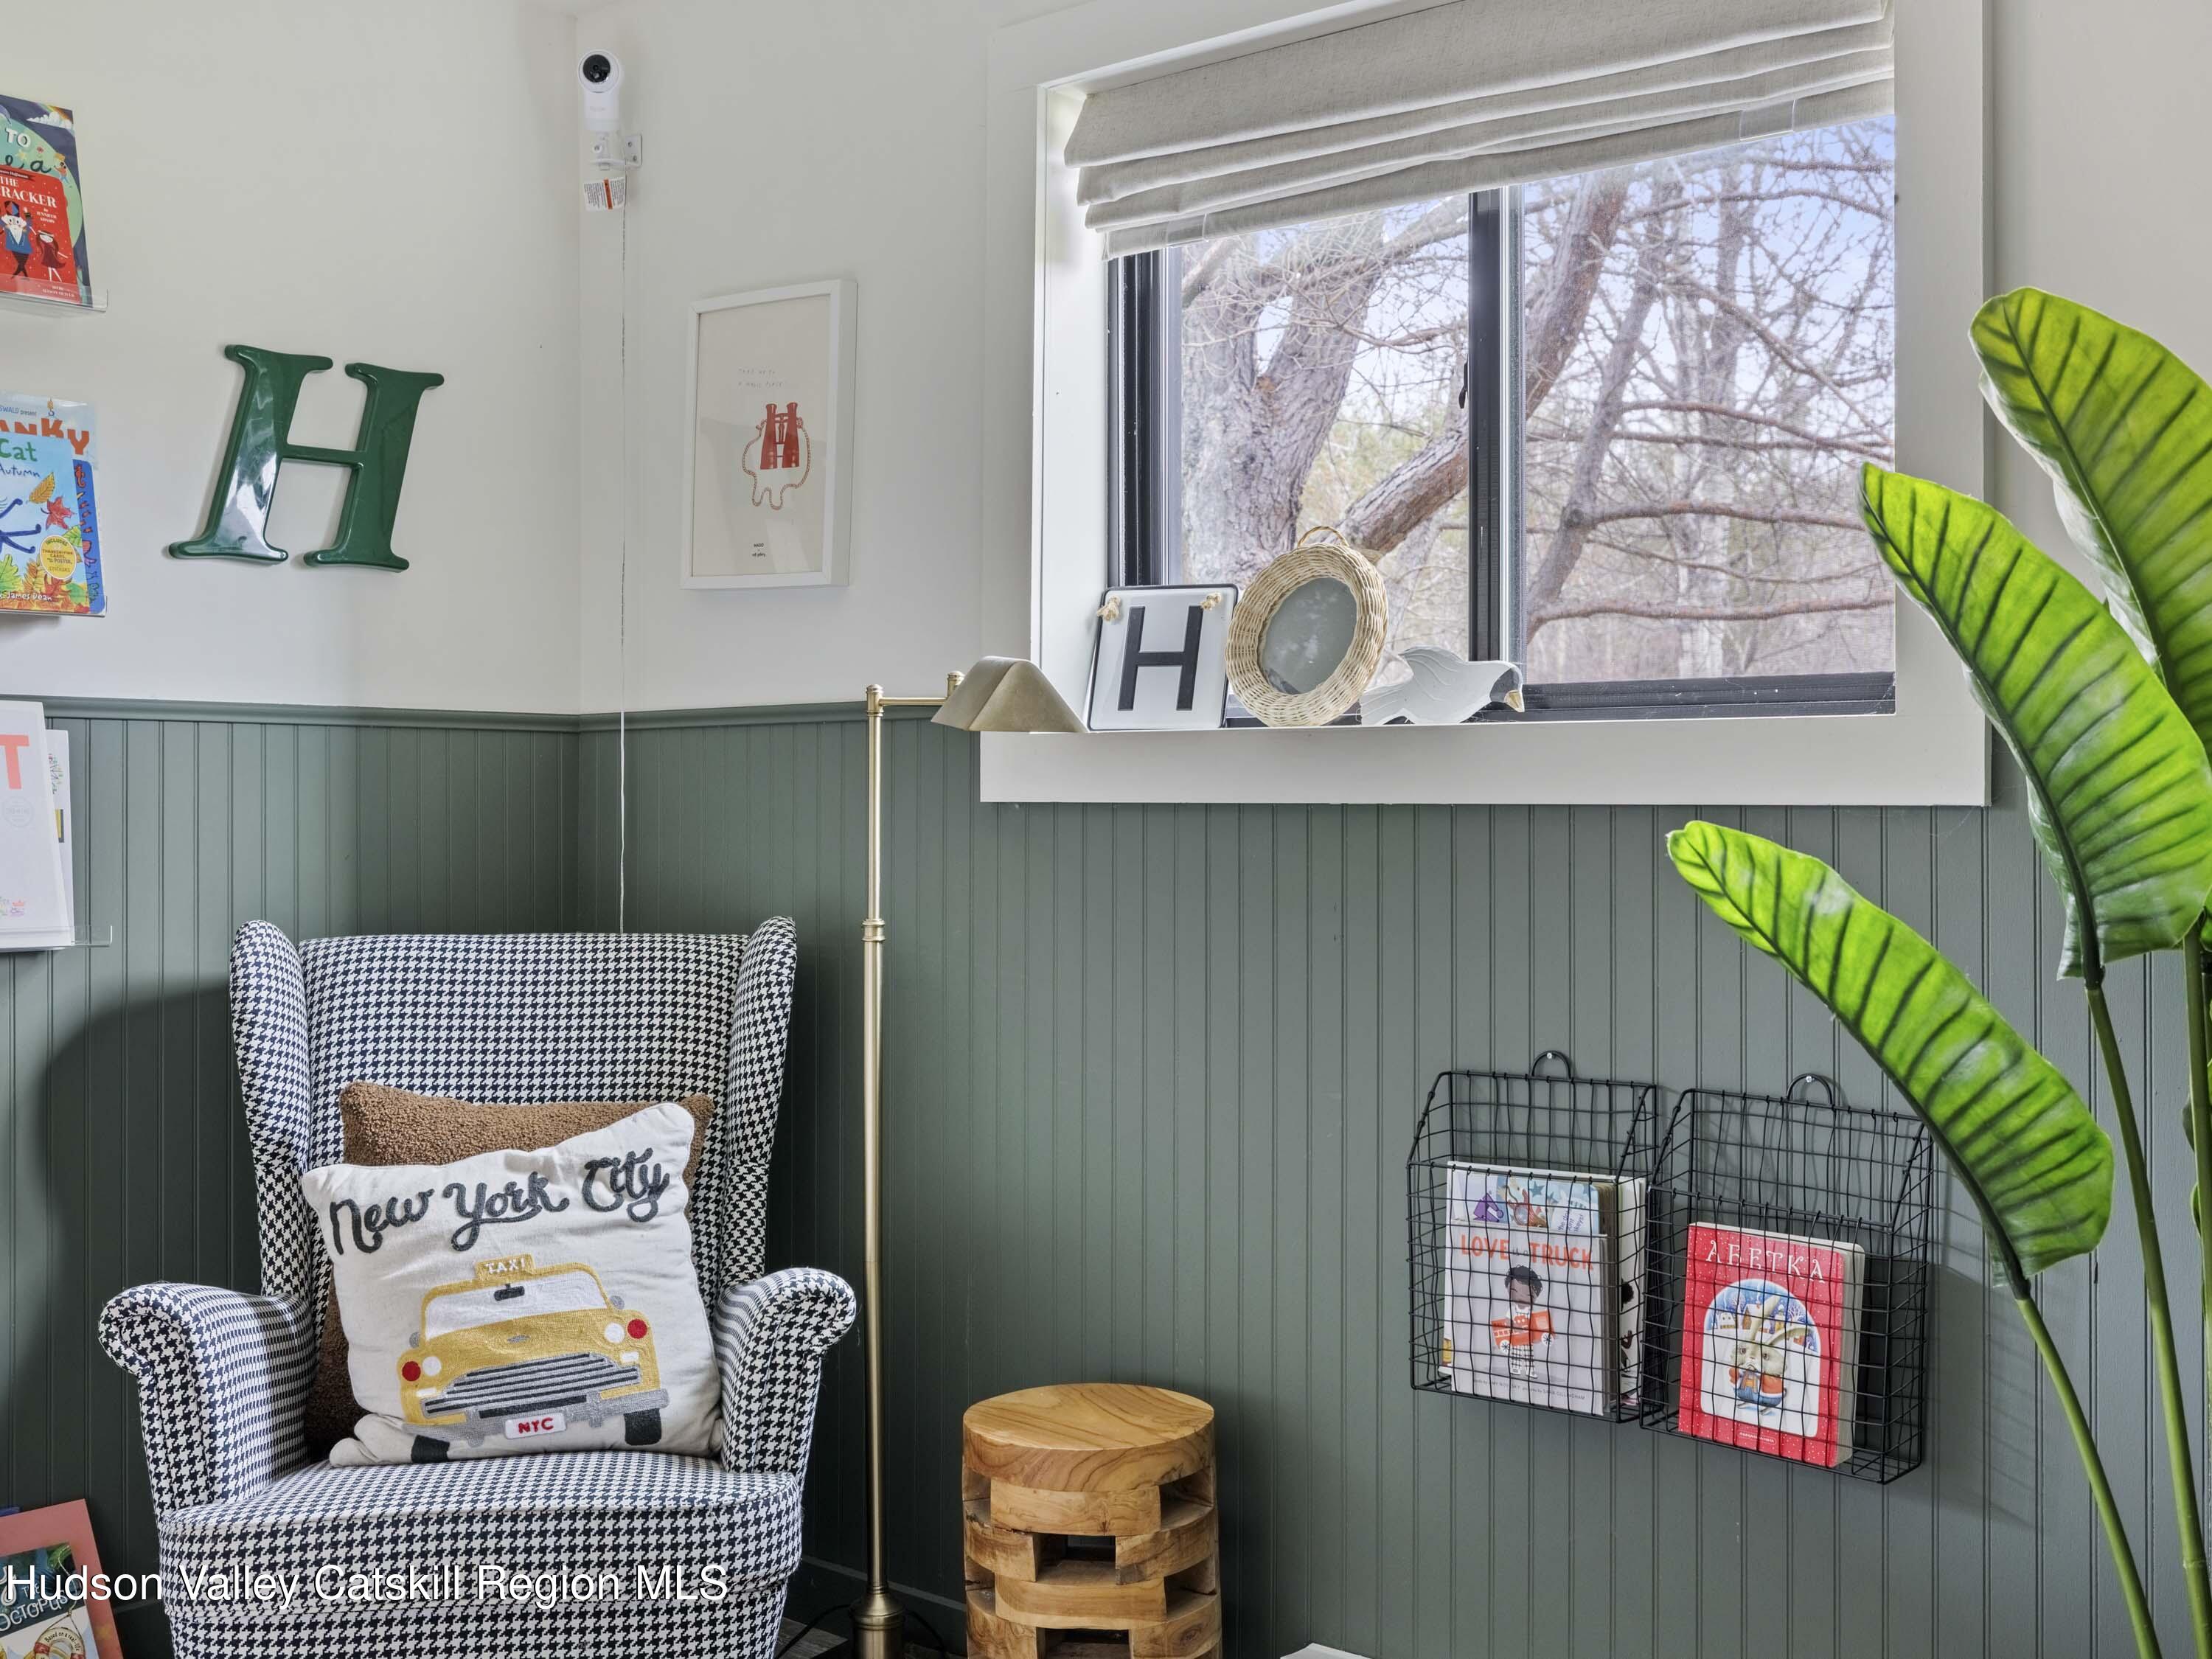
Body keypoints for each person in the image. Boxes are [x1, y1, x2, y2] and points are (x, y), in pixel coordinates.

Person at [1490, 1262, 1554, 1380]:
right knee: (1516, 1353)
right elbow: (1508, 1321)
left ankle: (1530, 1370)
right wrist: (1515, 1326)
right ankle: (1515, 1368)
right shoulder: (1513, 1309)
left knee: (1529, 1354)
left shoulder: (1531, 1311)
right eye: (1514, 1291)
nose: (1520, 1297)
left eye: (1527, 1295)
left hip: (1527, 1338)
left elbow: (1535, 1324)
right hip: (1517, 1337)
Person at [1, 201, 31, 278]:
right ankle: (23, 275)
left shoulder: (23, 230)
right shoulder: (7, 227)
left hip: (25, 246)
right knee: (21, 262)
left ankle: (19, 274)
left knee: (21, 262)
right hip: (13, 245)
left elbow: (29, 224)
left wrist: (27, 213)